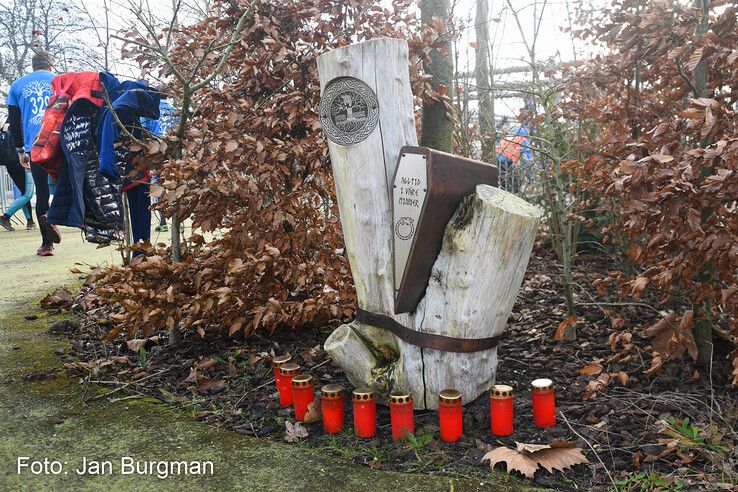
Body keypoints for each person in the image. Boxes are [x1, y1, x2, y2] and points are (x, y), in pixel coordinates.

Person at [6, 50, 61, 255]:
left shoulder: (17, 86)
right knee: (70, 182)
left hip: (35, 145)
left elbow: (14, 123)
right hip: (58, 140)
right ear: (50, 66)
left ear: (32, 66)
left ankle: (47, 245)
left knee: (42, 191)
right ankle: (77, 220)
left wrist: (21, 150)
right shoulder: (59, 80)